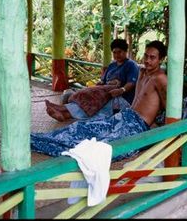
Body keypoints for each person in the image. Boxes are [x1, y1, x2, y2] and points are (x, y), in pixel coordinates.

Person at [30, 40, 167, 157]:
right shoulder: (142, 73)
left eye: (152, 58)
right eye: (146, 56)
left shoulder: (160, 78)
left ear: (161, 59)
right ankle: (35, 139)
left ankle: (48, 144)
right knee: (83, 128)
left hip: (137, 126)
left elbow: (167, 106)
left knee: (97, 146)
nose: (147, 60)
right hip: (126, 116)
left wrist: (157, 127)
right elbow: (137, 99)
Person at [45, 38, 139, 121]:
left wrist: (121, 90)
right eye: (114, 52)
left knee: (93, 104)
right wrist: (99, 84)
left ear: (126, 52)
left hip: (122, 97)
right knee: (86, 96)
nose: (117, 55)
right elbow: (103, 81)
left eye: (120, 52)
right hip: (105, 93)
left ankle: (63, 111)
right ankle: (64, 113)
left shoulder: (131, 65)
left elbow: (132, 82)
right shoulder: (112, 65)